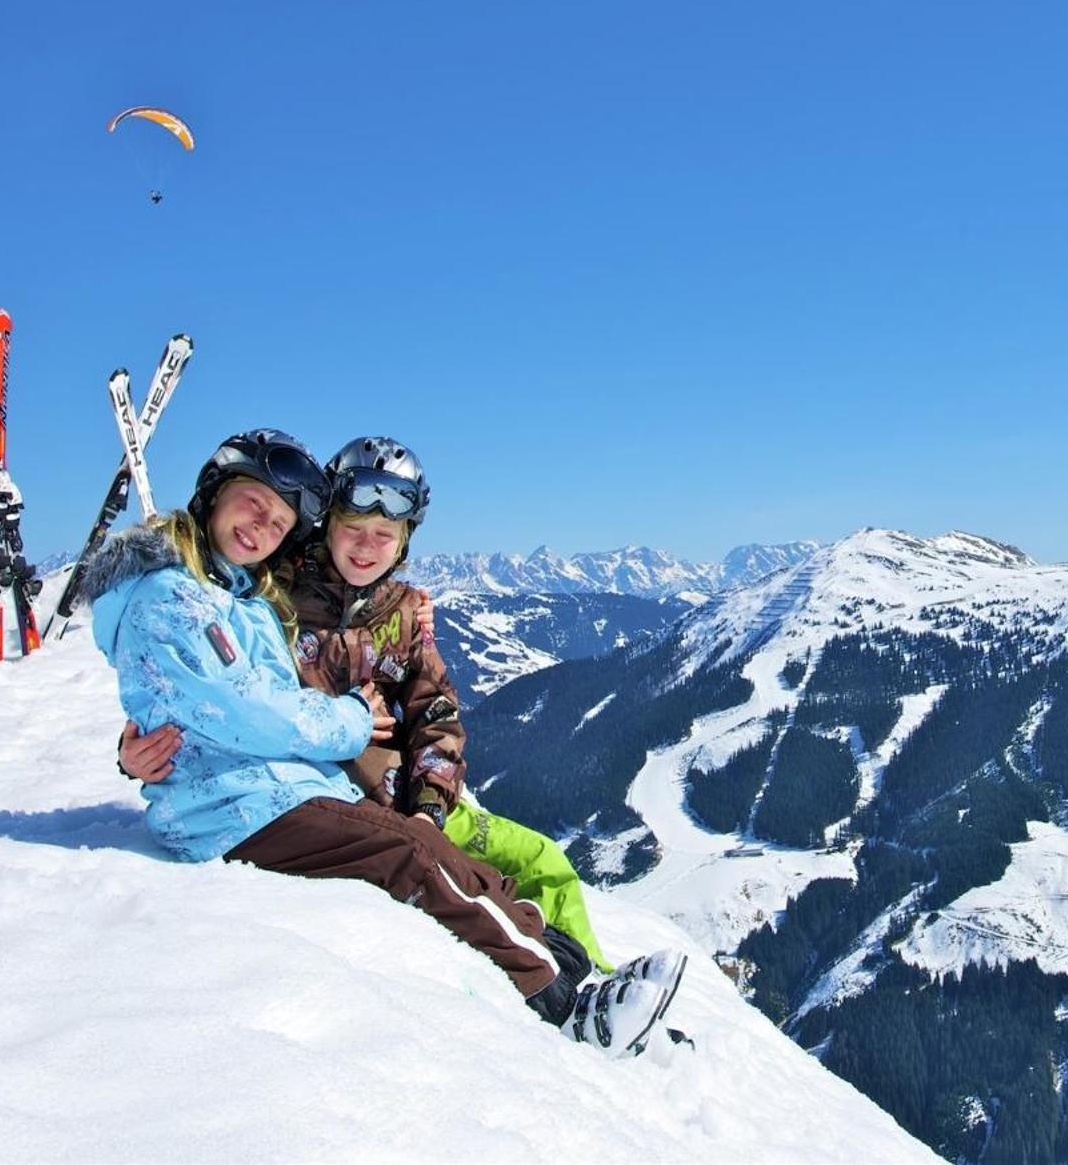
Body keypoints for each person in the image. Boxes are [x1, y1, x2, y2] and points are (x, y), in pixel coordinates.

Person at [87, 429, 682, 1057]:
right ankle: (571, 1002)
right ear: (322, 528)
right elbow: (213, 694)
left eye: (386, 536)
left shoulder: (383, 611)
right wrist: (134, 754)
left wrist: (430, 800)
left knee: (540, 863)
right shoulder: (269, 588)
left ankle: (591, 984)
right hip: (303, 795)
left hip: (379, 795)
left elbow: (437, 714)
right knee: (429, 861)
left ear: (404, 544)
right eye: (352, 528)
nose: (367, 546)